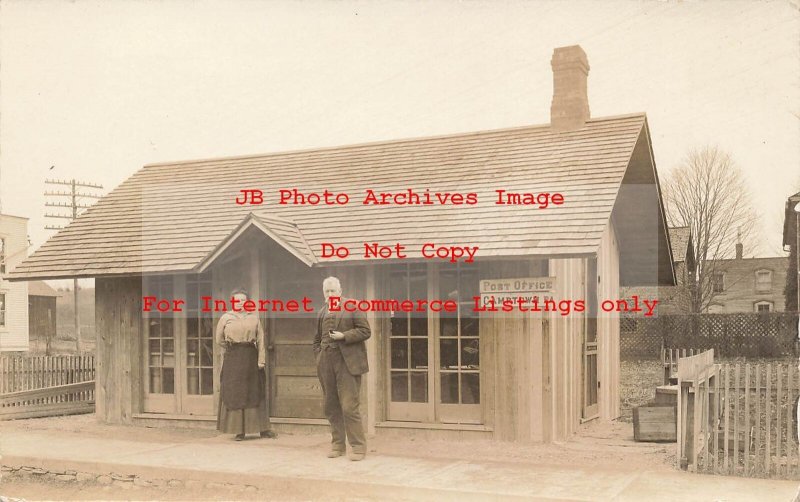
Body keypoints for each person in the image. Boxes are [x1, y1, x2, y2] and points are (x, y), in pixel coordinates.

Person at [313, 276, 371, 461]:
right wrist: (319, 356)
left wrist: (343, 336)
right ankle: (338, 445)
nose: (330, 295)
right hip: (326, 363)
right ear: (324, 295)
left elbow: (365, 331)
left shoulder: (352, 307)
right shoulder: (322, 312)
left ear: (340, 292)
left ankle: (358, 448)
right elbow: (316, 339)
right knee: (331, 406)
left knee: (348, 407)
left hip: (347, 363)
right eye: (327, 292)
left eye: (333, 291)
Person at [216, 287, 276, 441]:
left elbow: (261, 340)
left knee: (254, 391)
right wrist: (233, 349)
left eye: (243, 300)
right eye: (237, 300)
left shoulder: (254, 318)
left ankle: (262, 429)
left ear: (247, 302)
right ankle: (239, 431)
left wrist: (261, 360)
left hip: (251, 356)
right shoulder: (225, 318)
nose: (240, 303)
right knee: (236, 392)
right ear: (232, 301)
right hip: (234, 358)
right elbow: (219, 340)